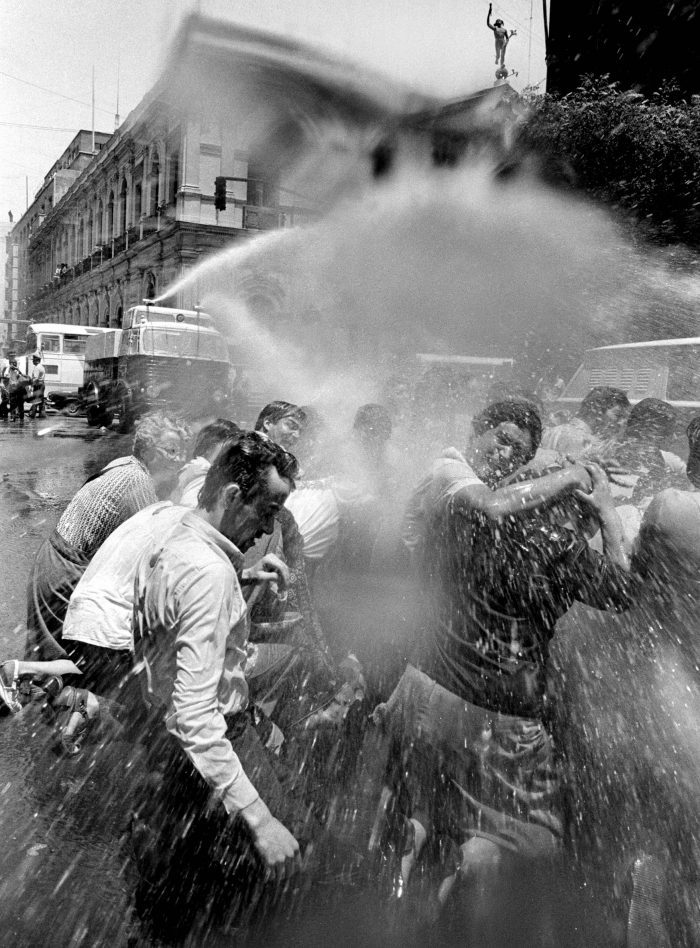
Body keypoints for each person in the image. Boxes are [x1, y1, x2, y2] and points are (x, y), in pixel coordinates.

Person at [377, 399, 630, 932]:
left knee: (422, 814)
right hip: (496, 722)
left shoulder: (463, 507)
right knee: (527, 840)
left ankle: (400, 904)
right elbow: (623, 591)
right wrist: (605, 511)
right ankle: (455, 902)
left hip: (424, 691)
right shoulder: (553, 541)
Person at [127, 432, 307, 943]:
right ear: (231, 496)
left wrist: (242, 578)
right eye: (267, 509)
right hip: (210, 749)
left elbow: (175, 615)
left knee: (180, 894)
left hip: (166, 752)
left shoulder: (175, 534)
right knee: (258, 890)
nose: (271, 526)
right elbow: (195, 717)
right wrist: (260, 818)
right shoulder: (207, 572)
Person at [25, 412, 190, 662]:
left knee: (50, 655)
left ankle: (22, 684)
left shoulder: (126, 464)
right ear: (147, 450)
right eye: (170, 450)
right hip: (65, 571)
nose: (178, 460)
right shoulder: (136, 481)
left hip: (53, 561)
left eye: (181, 453)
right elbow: (159, 549)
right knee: (73, 660)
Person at [540, 385, 630, 458]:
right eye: (617, 415)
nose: (619, 422)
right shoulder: (587, 443)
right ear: (596, 409)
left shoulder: (552, 430)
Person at [171, 417, 240, 507]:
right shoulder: (202, 472)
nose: (232, 455)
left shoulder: (195, 468)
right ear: (211, 445)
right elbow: (190, 507)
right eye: (229, 446)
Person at [28, 351, 46, 419]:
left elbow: (35, 379)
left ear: (36, 360)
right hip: (42, 385)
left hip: (38, 385)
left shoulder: (37, 368)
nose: (32, 361)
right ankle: (42, 415)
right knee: (41, 401)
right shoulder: (41, 367)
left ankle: (32, 415)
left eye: (33, 360)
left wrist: (31, 384)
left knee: (36, 400)